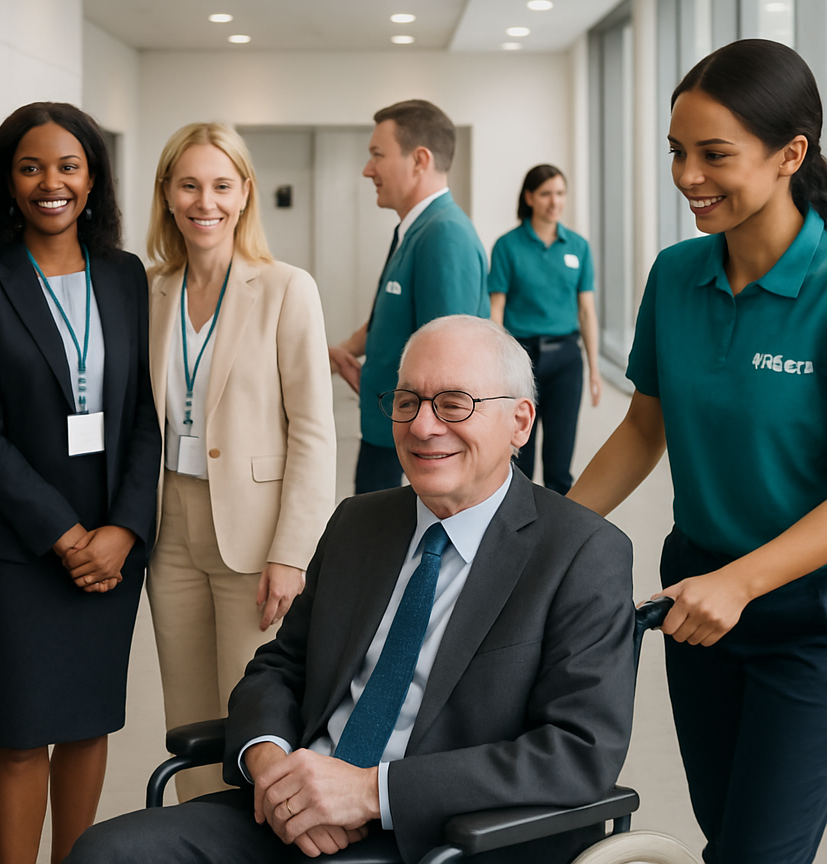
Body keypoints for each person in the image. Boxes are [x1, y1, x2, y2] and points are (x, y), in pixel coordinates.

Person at [65, 314, 636, 864]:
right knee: (104, 852)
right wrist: (271, 766)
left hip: (442, 837)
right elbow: (279, 668)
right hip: (290, 811)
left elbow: (578, 752)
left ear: (520, 421)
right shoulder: (359, 523)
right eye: (407, 401)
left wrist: (370, 793)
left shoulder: (581, 553)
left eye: (454, 403)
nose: (422, 426)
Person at [569, 38, 827, 864]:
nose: (687, 176)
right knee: (726, 833)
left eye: (715, 155)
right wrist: (547, 535)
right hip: (697, 599)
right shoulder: (676, 275)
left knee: (762, 853)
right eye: (678, 152)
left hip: (807, 615)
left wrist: (744, 582)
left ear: (793, 153)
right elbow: (647, 426)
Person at [0, 102, 161, 864]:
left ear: (93, 178)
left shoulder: (125, 275)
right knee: (19, 733)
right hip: (17, 549)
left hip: (112, 542)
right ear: (7, 181)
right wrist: (68, 536)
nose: (50, 183)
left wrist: (123, 531)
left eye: (68, 166)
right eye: (30, 166)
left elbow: (143, 415)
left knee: (86, 724)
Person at [146, 122, 336, 802]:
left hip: (255, 536)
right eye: (190, 184)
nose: (206, 201)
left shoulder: (286, 288)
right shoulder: (152, 290)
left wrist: (293, 551)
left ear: (245, 193)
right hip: (170, 527)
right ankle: (196, 840)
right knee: (188, 714)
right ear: (167, 193)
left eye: (222, 185)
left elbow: (314, 429)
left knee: (254, 715)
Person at [329, 100, 490, 495]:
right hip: (389, 428)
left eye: (377, 155)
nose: (368, 170)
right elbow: (391, 315)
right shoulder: (415, 229)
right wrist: (342, 352)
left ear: (419, 160)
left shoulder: (444, 235)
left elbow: (448, 360)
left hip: (415, 438)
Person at [488, 165, 601, 494]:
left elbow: (586, 311)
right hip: (522, 357)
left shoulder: (577, 247)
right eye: (547, 194)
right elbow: (496, 309)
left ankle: (558, 536)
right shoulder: (507, 246)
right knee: (519, 455)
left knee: (559, 458)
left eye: (560, 193)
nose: (555, 201)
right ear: (530, 198)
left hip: (567, 359)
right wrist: (497, 364)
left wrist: (594, 369)